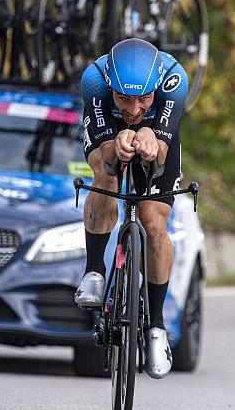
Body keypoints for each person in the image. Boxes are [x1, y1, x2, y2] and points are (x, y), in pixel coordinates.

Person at [75, 37, 188, 379]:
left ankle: (155, 327)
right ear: (110, 86)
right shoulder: (94, 80)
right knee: (105, 176)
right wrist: (116, 145)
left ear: (156, 88)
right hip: (107, 132)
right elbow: (101, 154)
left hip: (158, 136)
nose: (135, 109)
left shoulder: (173, 79)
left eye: (144, 99)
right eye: (124, 98)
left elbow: (163, 152)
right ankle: (95, 270)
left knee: (153, 224)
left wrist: (151, 140)